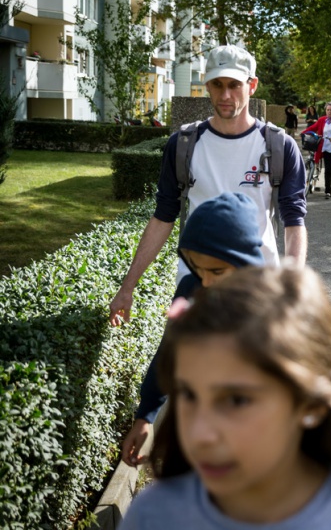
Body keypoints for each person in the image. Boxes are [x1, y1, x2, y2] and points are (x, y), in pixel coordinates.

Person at [119, 267, 331, 529]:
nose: (199, 434)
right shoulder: (153, 515)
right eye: (188, 394)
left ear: (311, 403)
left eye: (236, 400)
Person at [108, 44, 307, 327]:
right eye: (217, 84)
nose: (225, 95)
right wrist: (127, 288)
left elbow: (293, 223)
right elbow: (164, 216)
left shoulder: (279, 146)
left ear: (252, 85)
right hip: (196, 289)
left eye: (234, 85)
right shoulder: (183, 144)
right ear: (208, 85)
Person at [119, 192, 265, 467]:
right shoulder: (190, 289)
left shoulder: (270, 304)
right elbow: (169, 356)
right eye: (198, 268)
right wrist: (145, 416)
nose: (206, 282)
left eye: (217, 271)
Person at [302, 101, 331, 198]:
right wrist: (303, 133)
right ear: (325, 110)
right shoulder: (322, 120)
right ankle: (328, 191)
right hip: (326, 147)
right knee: (327, 170)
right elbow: (313, 127)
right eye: (328, 110)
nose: (329, 112)